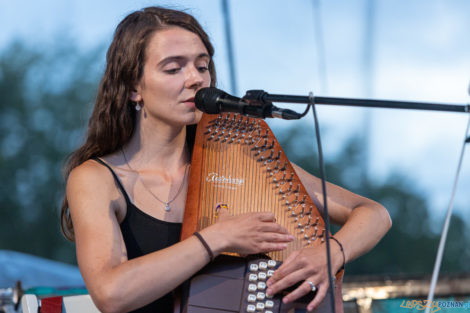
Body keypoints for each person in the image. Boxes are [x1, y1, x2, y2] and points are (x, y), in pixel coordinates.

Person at [60, 6, 391, 313]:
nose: (195, 78)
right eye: (173, 68)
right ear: (134, 88)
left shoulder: (241, 156)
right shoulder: (96, 178)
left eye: (202, 66)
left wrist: (329, 254)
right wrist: (217, 238)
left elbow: (374, 214)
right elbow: (110, 293)